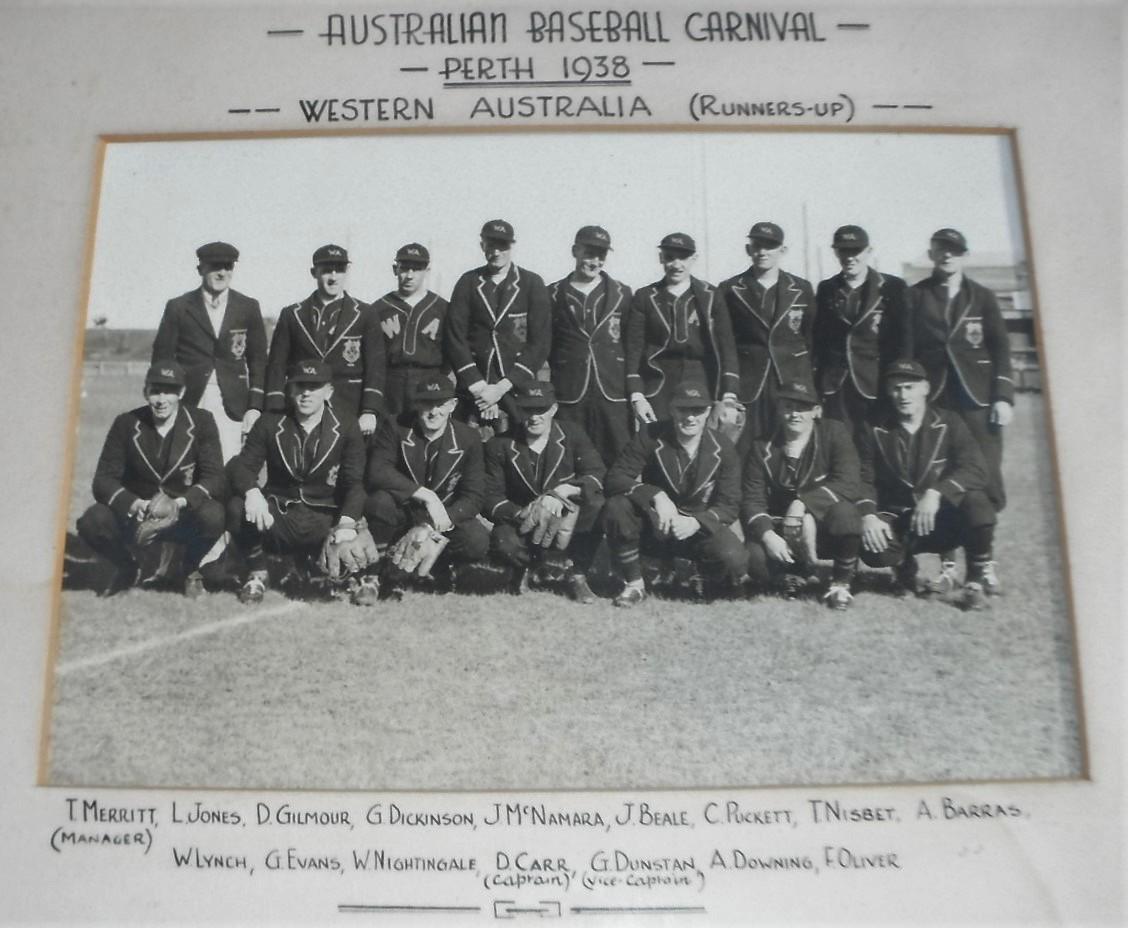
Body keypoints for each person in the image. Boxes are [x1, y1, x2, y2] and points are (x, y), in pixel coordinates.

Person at [910, 227, 1013, 594]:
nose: (947, 256)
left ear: (964, 255)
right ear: (931, 253)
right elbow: (906, 351)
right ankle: (948, 566)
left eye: (954, 251)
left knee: (982, 482)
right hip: (936, 403)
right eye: (941, 250)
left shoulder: (982, 298)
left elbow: (1001, 350)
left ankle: (983, 566)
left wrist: (1002, 397)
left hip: (978, 405)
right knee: (936, 481)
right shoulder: (917, 296)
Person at [856, 360, 998, 610]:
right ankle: (904, 570)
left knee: (978, 503)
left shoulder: (950, 422)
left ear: (925, 388)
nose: (903, 395)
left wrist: (936, 493)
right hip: (900, 519)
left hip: (942, 519)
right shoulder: (874, 428)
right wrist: (868, 515)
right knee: (872, 547)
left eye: (909, 387)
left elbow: (976, 469)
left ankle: (974, 583)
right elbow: (863, 478)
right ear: (889, 392)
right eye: (896, 388)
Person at [76, 362, 225, 598]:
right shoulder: (125, 423)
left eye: (169, 391)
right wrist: (135, 504)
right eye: (155, 391)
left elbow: (215, 477)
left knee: (214, 515)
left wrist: (180, 504)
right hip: (139, 516)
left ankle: (190, 569)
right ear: (146, 392)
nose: (161, 399)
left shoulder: (202, 421)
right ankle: (127, 567)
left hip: (181, 516)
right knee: (92, 521)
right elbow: (103, 480)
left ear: (182, 393)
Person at [227, 360, 369, 605]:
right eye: (299, 386)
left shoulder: (346, 425)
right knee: (236, 506)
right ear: (289, 389)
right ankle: (258, 573)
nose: (305, 393)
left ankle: (353, 577)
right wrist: (252, 492)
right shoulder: (270, 422)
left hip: (325, 518)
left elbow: (355, 482)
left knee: (366, 513)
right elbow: (240, 465)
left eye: (314, 387)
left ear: (329, 392)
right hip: (280, 515)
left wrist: (346, 523)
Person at [603, 380, 748, 607]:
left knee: (734, 559)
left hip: (697, 528)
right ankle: (634, 585)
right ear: (671, 409)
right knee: (617, 506)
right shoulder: (650, 435)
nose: (690, 417)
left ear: (708, 411)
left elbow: (730, 505)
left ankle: (697, 575)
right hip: (656, 525)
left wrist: (696, 523)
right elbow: (615, 478)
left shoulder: (724, 447)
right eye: (683, 409)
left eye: (697, 410)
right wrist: (656, 495)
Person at [741, 379, 862, 609]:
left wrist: (803, 503)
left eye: (802, 407)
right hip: (781, 529)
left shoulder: (834, 433)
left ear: (816, 411)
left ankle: (840, 584)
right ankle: (792, 575)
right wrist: (768, 535)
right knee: (753, 559)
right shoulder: (761, 446)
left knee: (846, 513)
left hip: (823, 525)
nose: (794, 414)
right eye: (788, 406)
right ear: (779, 409)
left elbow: (849, 483)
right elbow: (752, 498)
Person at [364, 376, 489, 596]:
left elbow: (474, 496)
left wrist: (430, 527)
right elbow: (377, 471)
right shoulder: (396, 426)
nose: (433, 412)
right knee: (378, 503)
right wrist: (426, 495)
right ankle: (380, 571)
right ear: (416, 404)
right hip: (405, 510)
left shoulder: (468, 437)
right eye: (427, 404)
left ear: (452, 406)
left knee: (476, 540)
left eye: (440, 404)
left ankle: (441, 566)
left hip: (441, 518)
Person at [483, 381, 605, 602]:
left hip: (567, 513)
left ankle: (576, 573)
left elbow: (597, 474)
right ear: (519, 409)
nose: (534, 416)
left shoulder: (573, 433)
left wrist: (563, 491)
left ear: (554, 409)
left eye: (541, 410)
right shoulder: (499, 444)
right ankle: (525, 566)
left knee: (597, 504)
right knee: (504, 543)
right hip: (524, 519)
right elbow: (491, 497)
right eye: (528, 409)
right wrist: (527, 512)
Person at [151, 241, 267, 461]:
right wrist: (166, 397)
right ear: (200, 269)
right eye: (215, 266)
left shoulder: (248, 306)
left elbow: (259, 361)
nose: (222, 272)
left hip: (232, 403)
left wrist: (254, 406)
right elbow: (161, 359)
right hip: (189, 399)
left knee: (227, 464)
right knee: (184, 463)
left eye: (228, 266)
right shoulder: (178, 306)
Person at [264, 244, 386, 436]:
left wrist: (369, 410)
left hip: (349, 406)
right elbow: (276, 366)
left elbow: (376, 366)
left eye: (340, 270)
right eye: (327, 270)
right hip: (302, 407)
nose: (333, 276)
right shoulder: (292, 315)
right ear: (314, 272)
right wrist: (274, 408)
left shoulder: (365, 313)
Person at [716, 221, 815, 446]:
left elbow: (809, 339)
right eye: (757, 245)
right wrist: (730, 388)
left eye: (770, 246)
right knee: (748, 444)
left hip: (789, 379)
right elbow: (726, 342)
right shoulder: (730, 289)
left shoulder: (802, 288)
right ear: (748, 249)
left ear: (783, 250)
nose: (762, 252)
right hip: (749, 381)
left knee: (787, 443)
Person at [444, 220, 551, 429]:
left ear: (512, 246)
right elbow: (455, 337)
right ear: (482, 245)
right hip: (475, 387)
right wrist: (479, 388)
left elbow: (540, 343)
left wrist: (501, 388)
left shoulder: (532, 283)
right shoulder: (468, 282)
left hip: (516, 386)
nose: (496, 252)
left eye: (502, 246)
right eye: (490, 245)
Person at [625, 232, 738, 425]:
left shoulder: (710, 295)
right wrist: (637, 395)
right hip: (659, 381)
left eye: (683, 258)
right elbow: (634, 349)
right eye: (669, 257)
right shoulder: (645, 296)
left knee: (698, 439)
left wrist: (729, 394)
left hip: (700, 378)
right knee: (658, 441)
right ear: (661, 257)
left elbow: (726, 345)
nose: (676, 265)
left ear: (694, 259)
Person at [812, 225, 910, 440]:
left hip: (875, 384)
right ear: (836, 252)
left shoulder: (892, 287)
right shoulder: (826, 288)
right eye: (843, 251)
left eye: (856, 251)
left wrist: (896, 383)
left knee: (875, 445)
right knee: (840, 445)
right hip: (836, 387)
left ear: (868, 251)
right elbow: (818, 341)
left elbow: (903, 340)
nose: (850, 257)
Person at [546, 225, 634, 465]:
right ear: (575, 251)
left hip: (612, 391)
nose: (595, 261)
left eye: (601, 255)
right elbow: (545, 344)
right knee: (572, 457)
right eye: (589, 253)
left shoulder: (622, 293)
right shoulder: (553, 294)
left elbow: (631, 344)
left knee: (618, 454)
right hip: (570, 392)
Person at [371, 243, 450, 417]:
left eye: (417, 269)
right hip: (391, 381)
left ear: (427, 271)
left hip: (429, 379)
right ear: (395, 269)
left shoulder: (442, 308)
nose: (409, 275)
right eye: (404, 268)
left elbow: (451, 354)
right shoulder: (378, 309)